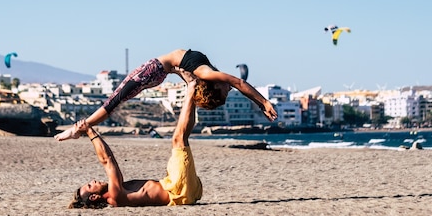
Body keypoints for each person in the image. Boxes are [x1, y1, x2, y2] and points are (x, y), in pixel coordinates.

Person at [55, 49, 277, 141]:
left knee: (113, 101)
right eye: (227, 90)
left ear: (214, 87)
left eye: (224, 91)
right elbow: (233, 83)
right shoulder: (201, 74)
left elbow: (238, 82)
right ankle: (80, 128)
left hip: (154, 71)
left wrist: (263, 102)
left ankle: (77, 129)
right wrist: (262, 102)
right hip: (159, 73)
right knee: (115, 101)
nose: (228, 88)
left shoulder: (207, 74)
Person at [67, 70, 203, 208]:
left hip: (176, 187)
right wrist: (90, 131)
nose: (93, 180)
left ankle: (192, 89)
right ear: (94, 197)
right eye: (90, 185)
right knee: (178, 139)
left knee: (181, 138)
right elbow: (107, 160)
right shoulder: (115, 194)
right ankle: (192, 85)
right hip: (178, 190)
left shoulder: (117, 195)